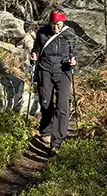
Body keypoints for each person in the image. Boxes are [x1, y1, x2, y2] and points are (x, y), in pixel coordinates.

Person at [30, 10, 77, 153]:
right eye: (53, 24)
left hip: (63, 71)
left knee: (62, 107)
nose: (56, 27)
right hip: (45, 70)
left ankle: (56, 143)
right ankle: (46, 131)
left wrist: (73, 60)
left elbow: (74, 52)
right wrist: (33, 56)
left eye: (58, 24)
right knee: (46, 103)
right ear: (50, 22)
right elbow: (36, 49)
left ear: (63, 22)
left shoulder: (69, 33)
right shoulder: (42, 32)